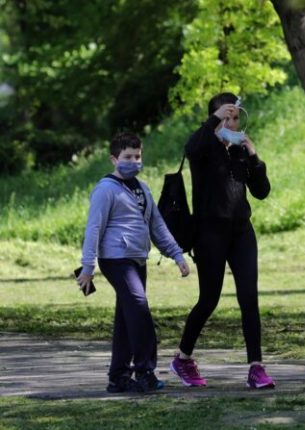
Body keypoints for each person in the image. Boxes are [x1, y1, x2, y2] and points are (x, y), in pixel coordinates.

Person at [170, 92, 274, 389]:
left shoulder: (240, 150)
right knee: (209, 299)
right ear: (214, 119)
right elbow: (191, 147)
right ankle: (183, 357)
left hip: (242, 233)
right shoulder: (203, 148)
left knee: (249, 298)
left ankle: (257, 367)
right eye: (225, 116)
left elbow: (262, 190)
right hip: (209, 233)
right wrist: (214, 121)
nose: (231, 121)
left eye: (235, 116)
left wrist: (254, 157)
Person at [78, 131, 191, 393]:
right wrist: (88, 268)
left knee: (127, 316)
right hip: (115, 259)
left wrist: (176, 254)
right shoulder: (105, 190)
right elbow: (94, 229)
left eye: (138, 156)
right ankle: (145, 371)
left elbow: (157, 225)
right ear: (114, 159)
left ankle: (118, 377)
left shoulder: (142, 188)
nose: (134, 161)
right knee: (139, 309)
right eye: (128, 156)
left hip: (138, 259)